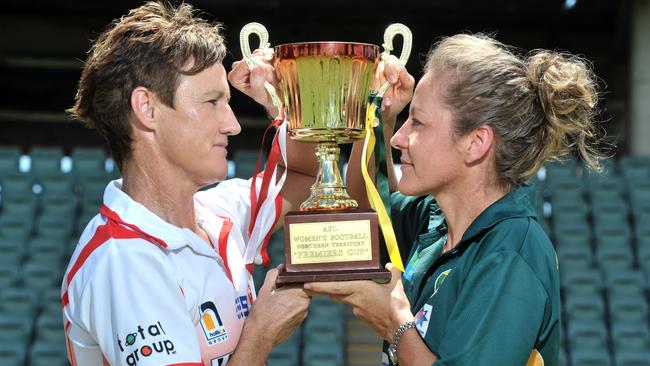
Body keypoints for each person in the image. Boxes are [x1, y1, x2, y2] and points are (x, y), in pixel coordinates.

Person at [307, 33, 603, 366]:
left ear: (476, 143)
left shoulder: (510, 254)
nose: (401, 138)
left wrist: (395, 323)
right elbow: (366, 215)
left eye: (417, 122)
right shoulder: (437, 221)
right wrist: (380, 118)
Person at [61, 2, 317, 365]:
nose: (233, 125)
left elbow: (304, 175)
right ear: (147, 109)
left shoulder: (217, 214)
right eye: (212, 102)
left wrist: (279, 103)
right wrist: (261, 333)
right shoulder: (125, 261)